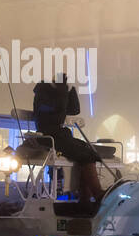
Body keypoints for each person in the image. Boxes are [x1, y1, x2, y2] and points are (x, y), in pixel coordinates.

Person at [32, 77, 104, 210]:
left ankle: (85, 199)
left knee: (88, 150)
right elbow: (54, 111)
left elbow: (74, 110)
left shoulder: (61, 91)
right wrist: (63, 92)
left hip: (61, 134)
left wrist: (72, 91)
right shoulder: (43, 91)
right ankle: (96, 193)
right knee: (84, 155)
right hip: (48, 135)